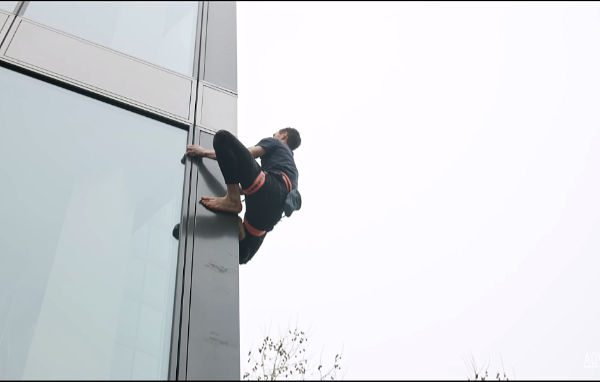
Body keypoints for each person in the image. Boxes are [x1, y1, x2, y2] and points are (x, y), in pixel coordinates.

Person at [184, 128, 301, 264]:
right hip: (272, 214)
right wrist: (240, 187)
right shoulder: (293, 169)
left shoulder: (276, 143)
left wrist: (204, 152)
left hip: (267, 186)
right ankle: (239, 226)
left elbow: (249, 153)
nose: (273, 136)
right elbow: (268, 193)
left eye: (275, 134)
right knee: (243, 256)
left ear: (284, 135)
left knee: (223, 138)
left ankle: (232, 200)